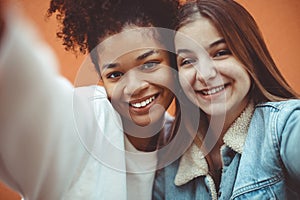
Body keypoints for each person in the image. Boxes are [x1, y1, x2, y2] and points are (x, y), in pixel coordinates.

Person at [0, 0, 187, 199]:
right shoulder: (89, 121)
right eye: (115, 75)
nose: (134, 87)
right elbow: (34, 97)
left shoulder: (181, 142)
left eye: (149, 64)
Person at [152, 0, 300, 199]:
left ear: (249, 55)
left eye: (221, 53)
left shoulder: (284, 126)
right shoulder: (167, 157)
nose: (204, 74)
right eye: (188, 61)